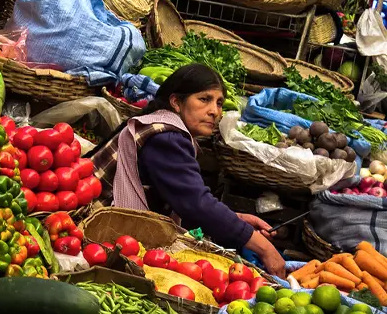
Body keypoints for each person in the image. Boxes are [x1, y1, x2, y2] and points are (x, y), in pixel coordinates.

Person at [90, 63, 286, 278]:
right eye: (204, 99)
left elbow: (186, 197)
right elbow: (196, 204)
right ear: (176, 102)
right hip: (93, 229)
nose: (215, 111)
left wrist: (236, 218)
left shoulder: (162, 127)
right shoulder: (167, 138)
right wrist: (265, 248)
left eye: (219, 103)